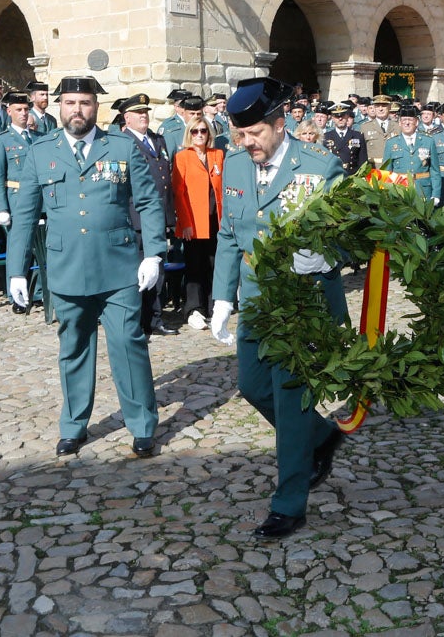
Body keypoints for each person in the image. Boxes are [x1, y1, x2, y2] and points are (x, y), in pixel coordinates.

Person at [209, 77, 348, 540]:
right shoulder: (233, 167)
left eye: (254, 134)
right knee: (252, 386)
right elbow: (230, 234)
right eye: (238, 135)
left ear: (280, 123)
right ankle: (323, 436)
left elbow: (351, 235)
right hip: (256, 297)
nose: (246, 143)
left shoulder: (320, 167)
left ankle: (289, 503)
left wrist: (329, 255)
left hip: (303, 301)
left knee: (289, 401)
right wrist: (223, 296)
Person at [5, 77, 166, 459]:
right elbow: (24, 215)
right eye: (71, 102)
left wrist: (153, 253)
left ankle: (142, 425)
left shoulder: (122, 147)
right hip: (67, 268)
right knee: (74, 347)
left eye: (86, 103)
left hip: (118, 268)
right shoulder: (41, 151)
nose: (78, 110)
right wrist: (16, 269)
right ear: (60, 106)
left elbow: (149, 202)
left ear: (97, 107)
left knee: (129, 344)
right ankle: (74, 425)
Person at [120, 93, 177, 337]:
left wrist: (169, 216)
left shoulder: (158, 140)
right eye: (138, 113)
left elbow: (166, 181)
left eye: (146, 112)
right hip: (135, 216)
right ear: (127, 118)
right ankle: (136, 322)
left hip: (157, 215)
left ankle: (155, 319)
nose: (144, 116)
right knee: (136, 271)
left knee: (157, 269)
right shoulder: (123, 142)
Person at [172, 116, 224, 329]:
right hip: (193, 220)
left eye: (203, 131)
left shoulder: (218, 154)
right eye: (195, 131)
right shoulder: (182, 157)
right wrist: (184, 222)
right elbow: (179, 192)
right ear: (189, 134)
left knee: (214, 264)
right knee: (195, 265)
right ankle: (194, 308)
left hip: (215, 219)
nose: (200, 135)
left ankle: (214, 305)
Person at [0, 93, 39, 312]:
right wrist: (1, 207)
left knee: (38, 246)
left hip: (39, 200)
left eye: (26, 109)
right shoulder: (2, 140)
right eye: (18, 110)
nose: (23, 113)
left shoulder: (37, 138)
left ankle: (36, 291)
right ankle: (16, 296)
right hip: (16, 199)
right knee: (18, 247)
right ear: (9, 112)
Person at [382, 104, 438, 203]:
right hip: (400, 191)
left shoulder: (428, 141)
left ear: (416, 122)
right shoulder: (391, 143)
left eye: (410, 120)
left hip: (423, 190)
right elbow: (387, 172)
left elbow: (434, 170)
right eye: (404, 120)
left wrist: (436, 194)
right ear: (399, 122)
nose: (407, 123)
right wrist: (387, 194)